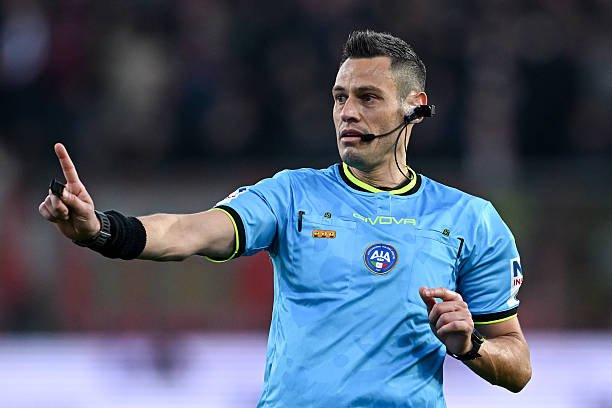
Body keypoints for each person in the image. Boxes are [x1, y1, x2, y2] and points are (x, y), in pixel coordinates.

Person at [39, 30, 531, 407]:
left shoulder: (470, 219)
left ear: (414, 108)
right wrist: (102, 230)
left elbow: (518, 366)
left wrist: (470, 347)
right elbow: (188, 231)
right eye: (339, 97)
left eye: (367, 97)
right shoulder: (291, 194)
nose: (347, 112)